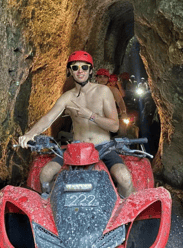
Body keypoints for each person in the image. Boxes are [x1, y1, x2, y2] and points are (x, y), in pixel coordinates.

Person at [18, 51, 134, 198]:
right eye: (75, 67)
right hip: (76, 149)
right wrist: (30, 134)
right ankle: (51, 206)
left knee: (124, 177)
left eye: (84, 67)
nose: (80, 71)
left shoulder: (103, 91)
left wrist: (90, 115)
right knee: (45, 174)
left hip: (103, 147)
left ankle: (126, 213)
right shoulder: (68, 97)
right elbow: (48, 118)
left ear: (90, 70)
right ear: (70, 71)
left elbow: (114, 126)